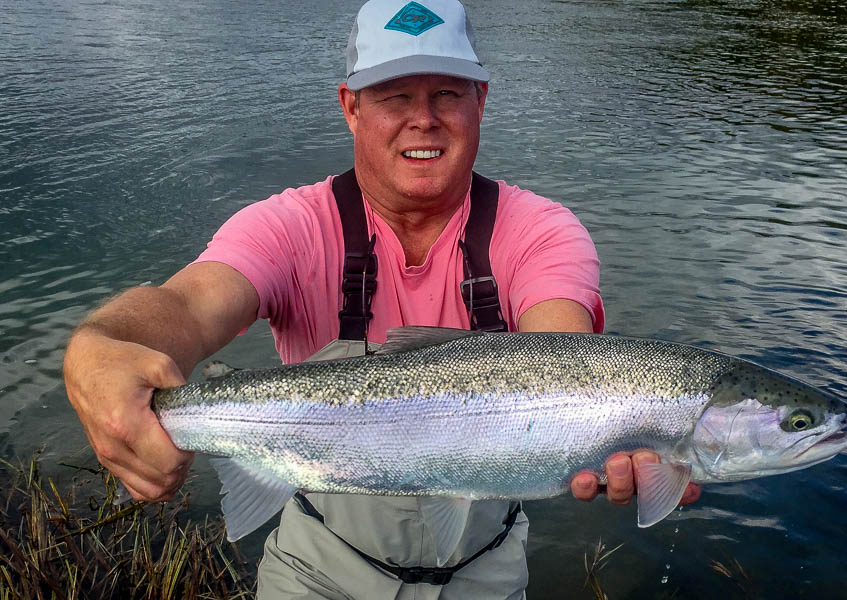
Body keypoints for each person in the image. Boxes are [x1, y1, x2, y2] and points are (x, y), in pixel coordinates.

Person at [63, 0, 700, 598]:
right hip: (317, 565)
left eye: (447, 92)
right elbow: (187, 306)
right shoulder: (289, 226)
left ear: (481, 99)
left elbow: (568, 359)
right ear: (351, 106)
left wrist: (618, 427)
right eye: (394, 95)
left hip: (486, 571)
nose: (422, 118)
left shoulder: (540, 231)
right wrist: (100, 349)